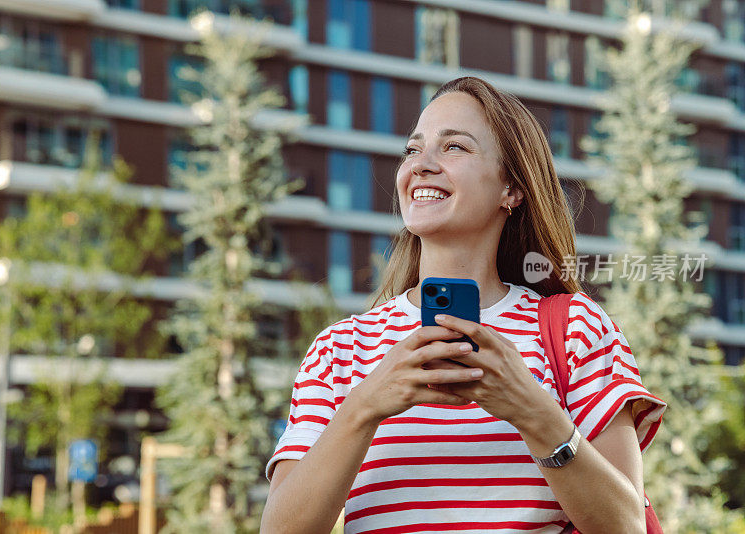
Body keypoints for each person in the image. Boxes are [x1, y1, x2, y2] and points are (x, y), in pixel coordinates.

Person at [260, 76, 666, 534]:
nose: (422, 165)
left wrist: (533, 411)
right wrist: (365, 406)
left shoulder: (577, 330)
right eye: (413, 150)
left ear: (510, 190)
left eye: (454, 147)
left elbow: (627, 527)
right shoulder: (341, 350)